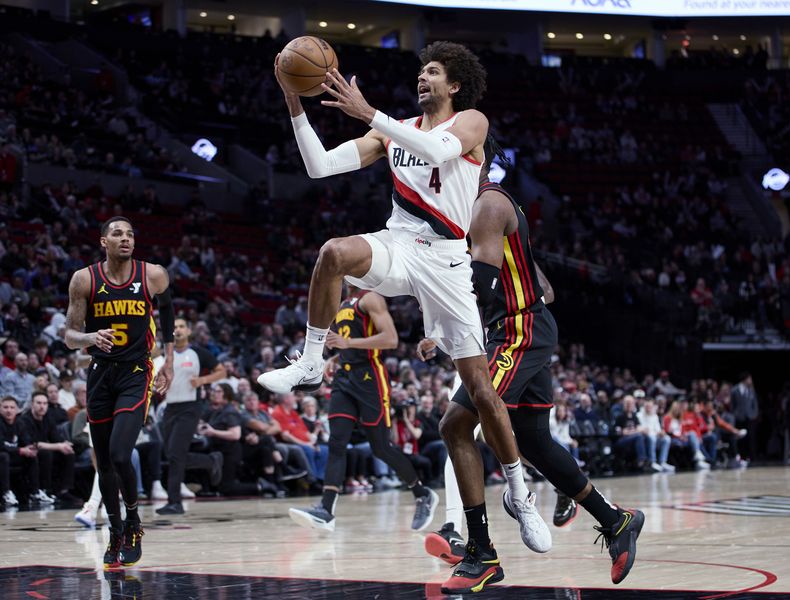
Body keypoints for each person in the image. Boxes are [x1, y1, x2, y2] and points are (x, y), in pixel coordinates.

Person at [259, 40, 531, 561]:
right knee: (333, 253)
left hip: (450, 261)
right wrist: (293, 99)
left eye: (433, 72)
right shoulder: (392, 131)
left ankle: (520, 490)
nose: (423, 77)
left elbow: (437, 151)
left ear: (453, 85)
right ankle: (312, 361)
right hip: (400, 245)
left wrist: (370, 114)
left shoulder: (472, 121)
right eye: (421, 71)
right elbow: (319, 167)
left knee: (479, 390)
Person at [429, 154, 644, 593]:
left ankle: (481, 553)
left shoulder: (486, 205)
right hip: (522, 326)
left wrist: (440, 327)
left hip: (517, 332)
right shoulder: (486, 206)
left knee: (456, 424)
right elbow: (543, 285)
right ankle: (617, 520)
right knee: (533, 440)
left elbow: (485, 289)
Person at [64, 216, 175, 569]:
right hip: (99, 375)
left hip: (136, 373)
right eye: (117, 233)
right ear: (103, 242)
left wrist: (168, 363)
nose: (125, 238)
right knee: (106, 461)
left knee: (120, 453)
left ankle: (134, 521)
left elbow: (169, 316)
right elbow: (69, 335)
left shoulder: (152, 274)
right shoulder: (84, 279)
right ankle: (115, 531)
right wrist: (90, 338)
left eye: (129, 234)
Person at [289, 286, 438, 532]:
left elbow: (390, 339)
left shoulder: (370, 298)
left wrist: (347, 342)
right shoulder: (342, 305)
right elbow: (348, 345)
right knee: (337, 443)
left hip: (371, 379)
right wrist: (335, 358)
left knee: (381, 448)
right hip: (344, 379)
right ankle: (326, 510)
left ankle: (422, 494)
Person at [156, 318, 226, 516]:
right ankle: (211, 461)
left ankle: (174, 502)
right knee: (171, 454)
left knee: (176, 454)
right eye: (174, 327)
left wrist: (203, 380)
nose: (177, 330)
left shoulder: (198, 353)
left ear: (188, 331)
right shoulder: (164, 355)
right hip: (169, 407)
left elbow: (222, 371)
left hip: (190, 407)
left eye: (180, 327)